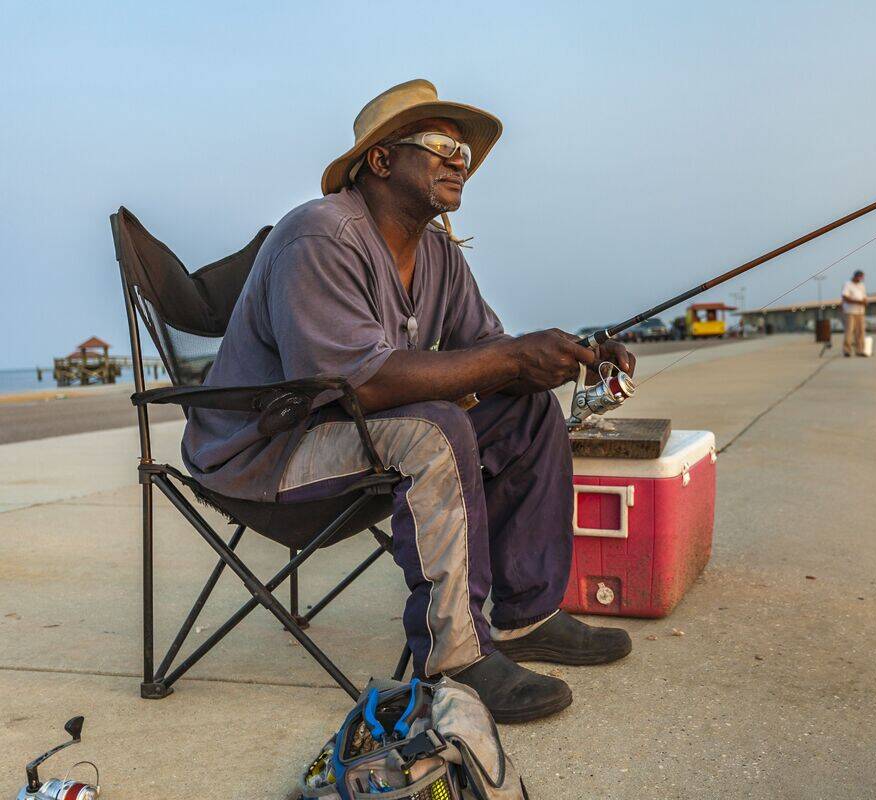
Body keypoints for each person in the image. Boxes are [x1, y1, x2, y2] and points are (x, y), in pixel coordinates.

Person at [182, 79, 634, 724]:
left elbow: (490, 354)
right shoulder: (320, 234)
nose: (461, 162)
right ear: (382, 159)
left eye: (466, 153)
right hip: (264, 452)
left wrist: (568, 357)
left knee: (527, 413)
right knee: (435, 429)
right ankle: (457, 659)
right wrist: (510, 358)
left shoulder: (441, 254)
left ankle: (528, 613)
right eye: (443, 145)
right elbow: (354, 382)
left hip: (353, 435)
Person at [841, 270, 868, 356]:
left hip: (860, 312)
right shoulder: (847, 284)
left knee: (860, 332)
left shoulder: (862, 285)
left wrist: (864, 302)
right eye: (860, 277)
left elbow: (864, 297)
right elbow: (845, 297)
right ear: (856, 276)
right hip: (850, 312)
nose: (861, 279)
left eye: (862, 278)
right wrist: (858, 302)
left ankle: (860, 350)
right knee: (849, 331)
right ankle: (847, 350)